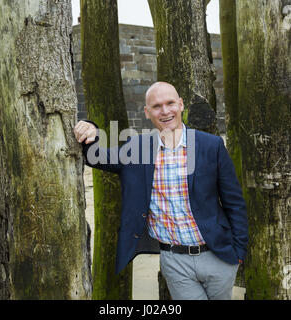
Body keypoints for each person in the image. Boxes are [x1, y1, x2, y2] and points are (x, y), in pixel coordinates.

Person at [73, 82, 248, 300]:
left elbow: (234, 203)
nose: (165, 111)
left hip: (218, 255)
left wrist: (239, 252)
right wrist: (90, 128)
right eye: (156, 106)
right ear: (147, 112)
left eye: (170, 103)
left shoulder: (211, 145)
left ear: (181, 105)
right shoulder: (137, 148)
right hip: (175, 261)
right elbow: (95, 157)